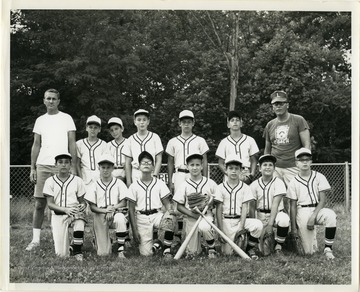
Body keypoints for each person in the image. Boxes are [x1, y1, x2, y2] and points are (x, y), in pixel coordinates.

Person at [26, 88, 78, 251]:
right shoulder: (40, 120)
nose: (51, 101)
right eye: (48, 98)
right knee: (40, 204)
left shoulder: (66, 118)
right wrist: (32, 167)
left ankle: (67, 239)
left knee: (63, 204)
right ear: (44, 100)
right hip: (43, 165)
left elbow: (72, 144)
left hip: (61, 165)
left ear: (58, 101)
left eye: (54, 99)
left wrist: (74, 167)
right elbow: (36, 144)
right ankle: (35, 240)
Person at [286, 148, 337, 260]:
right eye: (301, 160)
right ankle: (291, 243)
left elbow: (322, 200)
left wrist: (313, 216)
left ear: (311, 162)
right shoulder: (293, 181)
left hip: (317, 209)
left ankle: (328, 248)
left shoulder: (319, 176)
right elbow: (293, 206)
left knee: (330, 215)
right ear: (296, 163)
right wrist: (293, 229)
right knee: (308, 252)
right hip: (302, 210)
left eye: (307, 159)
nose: (304, 162)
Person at [173, 152, 222, 259]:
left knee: (204, 227)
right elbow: (179, 206)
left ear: (202, 166)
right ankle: (200, 247)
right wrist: (193, 215)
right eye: (192, 165)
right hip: (191, 217)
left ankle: (211, 248)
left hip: (206, 216)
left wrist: (210, 202)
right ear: (187, 167)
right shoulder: (184, 185)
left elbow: (217, 202)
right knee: (192, 253)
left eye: (197, 165)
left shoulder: (210, 183)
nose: (194, 168)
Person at [127, 151, 176, 258]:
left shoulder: (159, 183)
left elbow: (167, 204)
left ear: (153, 167)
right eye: (143, 162)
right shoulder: (133, 186)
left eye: (149, 163)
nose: (146, 164)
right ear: (138, 166)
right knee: (147, 254)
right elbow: (130, 210)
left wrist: (170, 212)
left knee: (170, 218)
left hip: (157, 215)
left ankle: (166, 251)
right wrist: (135, 231)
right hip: (141, 218)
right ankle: (157, 244)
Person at [215, 155, 263, 259]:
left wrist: (241, 229)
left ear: (241, 170)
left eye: (237, 168)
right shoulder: (220, 187)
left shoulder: (245, 187)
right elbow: (218, 209)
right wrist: (220, 230)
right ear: (225, 170)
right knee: (228, 254)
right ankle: (239, 246)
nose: (233, 171)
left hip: (240, 221)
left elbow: (245, 207)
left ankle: (249, 248)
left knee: (258, 225)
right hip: (225, 221)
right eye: (231, 168)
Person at [85, 154, 130, 258]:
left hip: (116, 212)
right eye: (103, 167)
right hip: (100, 214)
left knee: (120, 218)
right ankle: (102, 241)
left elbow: (124, 202)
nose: (105, 170)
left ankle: (121, 250)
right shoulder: (95, 184)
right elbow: (92, 207)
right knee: (103, 253)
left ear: (113, 168)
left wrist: (112, 209)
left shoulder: (119, 183)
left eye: (108, 167)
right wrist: (106, 211)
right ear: (99, 168)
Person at [43, 153, 87, 261]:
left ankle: (77, 250)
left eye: (66, 162)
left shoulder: (77, 180)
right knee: (61, 254)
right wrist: (65, 209)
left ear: (70, 165)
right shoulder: (50, 181)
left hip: (74, 212)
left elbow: (83, 202)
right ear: (55, 165)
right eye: (60, 162)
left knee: (80, 222)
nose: (63, 165)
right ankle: (72, 246)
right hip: (58, 214)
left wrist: (82, 206)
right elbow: (50, 204)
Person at [263, 90, 311, 186]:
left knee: (296, 197)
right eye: (275, 104)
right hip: (275, 168)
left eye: (281, 103)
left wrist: (303, 163)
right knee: (276, 198)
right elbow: (267, 149)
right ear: (272, 107)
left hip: (294, 167)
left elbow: (307, 145)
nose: (278, 106)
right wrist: (267, 166)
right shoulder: (270, 124)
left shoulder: (298, 120)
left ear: (287, 105)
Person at [249, 154, 290, 255]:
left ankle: (279, 245)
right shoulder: (254, 184)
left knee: (284, 219)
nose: (267, 167)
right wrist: (254, 226)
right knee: (264, 252)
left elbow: (275, 205)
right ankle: (260, 242)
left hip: (276, 214)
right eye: (265, 165)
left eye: (270, 165)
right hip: (261, 215)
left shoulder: (279, 182)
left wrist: (270, 226)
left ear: (274, 168)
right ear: (259, 168)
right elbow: (252, 207)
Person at [165, 110, 209, 193]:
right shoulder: (173, 141)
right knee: (178, 202)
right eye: (184, 122)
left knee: (195, 201)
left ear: (193, 123)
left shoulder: (200, 140)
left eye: (189, 122)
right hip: (179, 174)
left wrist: (205, 179)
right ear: (179, 123)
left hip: (195, 174)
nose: (186, 124)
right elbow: (170, 162)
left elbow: (204, 161)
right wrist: (170, 182)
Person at [215, 111, 259, 184]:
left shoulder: (250, 140)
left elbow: (254, 160)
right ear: (228, 124)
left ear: (241, 123)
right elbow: (220, 163)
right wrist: (228, 173)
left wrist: (251, 175)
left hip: (245, 173)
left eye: (237, 120)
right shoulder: (224, 142)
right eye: (232, 120)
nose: (235, 122)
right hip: (229, 173)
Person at [123, 109, 163, 187]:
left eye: (144, 120)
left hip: (151, 172)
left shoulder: (155, 137)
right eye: (139, 120)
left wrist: (155, 175)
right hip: (136, 173)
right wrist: (128, 181)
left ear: (148, 121)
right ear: (135, 122)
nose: (141, 122)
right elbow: (127, 163)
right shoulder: (130, 139)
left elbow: (159, 159)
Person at [76, 115, 108, 191]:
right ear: (86, 128)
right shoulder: (79, 144)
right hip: (85, 178)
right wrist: (80, 180)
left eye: (95, 127)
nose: (93, 130)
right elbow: (77, 164)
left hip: (99, 178)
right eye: (90, 127)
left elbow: (105, 164)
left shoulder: (104, 144)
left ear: (99, 129)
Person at [107, 117, 128, 182]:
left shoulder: (129, 142)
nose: (114, 132)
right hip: (112, 174)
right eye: (111, 130)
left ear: (122, 129)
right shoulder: (108, 145)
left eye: (116, 129)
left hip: (126, 173)